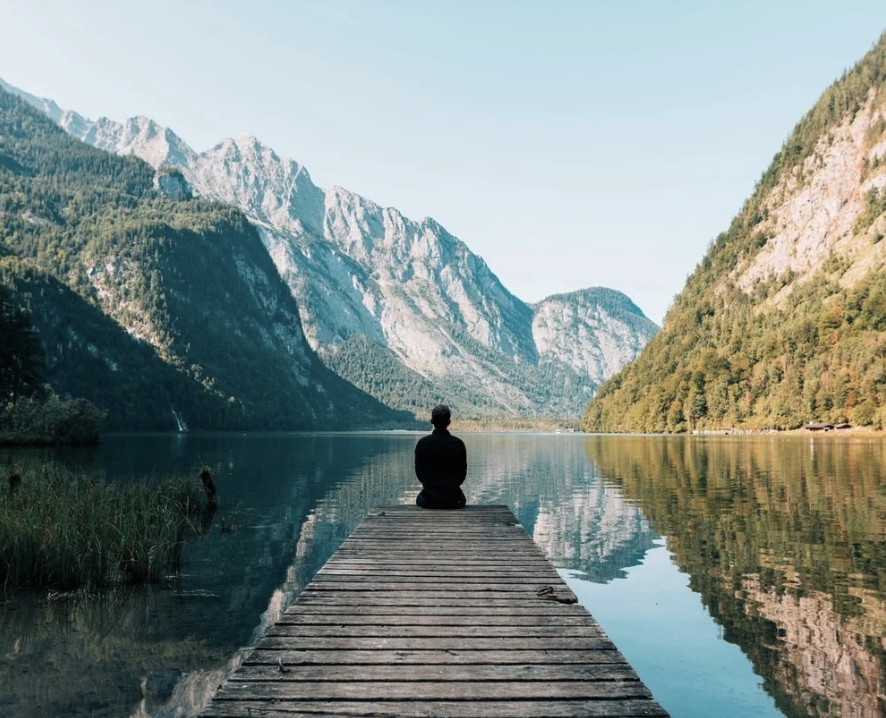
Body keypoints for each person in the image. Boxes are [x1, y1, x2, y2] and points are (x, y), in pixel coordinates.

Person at [414, 404, 467, 509]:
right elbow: (462, 475)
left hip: (428, 499)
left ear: (432, 421)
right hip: (453, 500)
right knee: (461, 499)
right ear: (449, 422)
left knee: (420, 499)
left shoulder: (422, 443)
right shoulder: (458, 444)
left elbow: (419, 473)